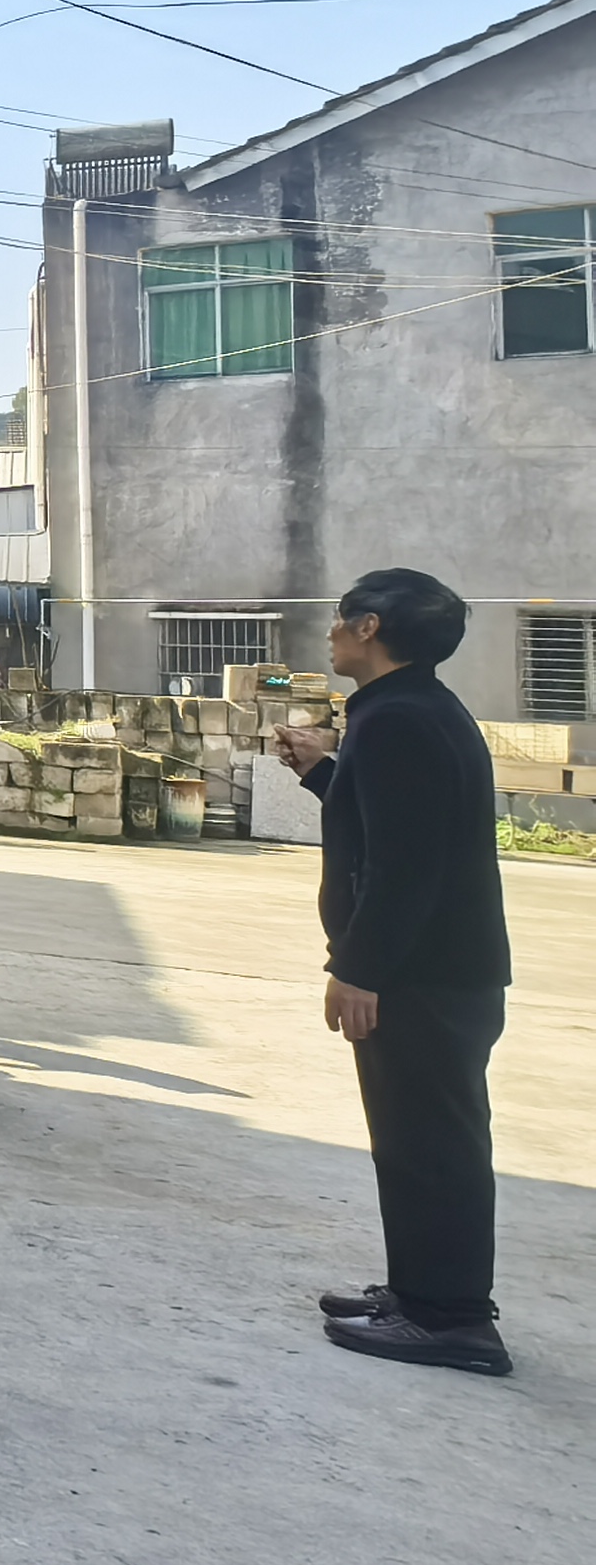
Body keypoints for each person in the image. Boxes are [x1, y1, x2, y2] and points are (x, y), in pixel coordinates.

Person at [276, 567, 515, 1374]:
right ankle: (418, 1295)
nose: (332, 631)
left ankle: (452, 1319)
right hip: (437, 972)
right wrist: (320, 770)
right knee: (414, 1143)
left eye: (341, 618)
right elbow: (386, 826)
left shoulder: (399, 720)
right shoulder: (409, 710)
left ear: (370, 627)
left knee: (432, 1148)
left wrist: (360, 967)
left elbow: (406, 868)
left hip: (423, 977)